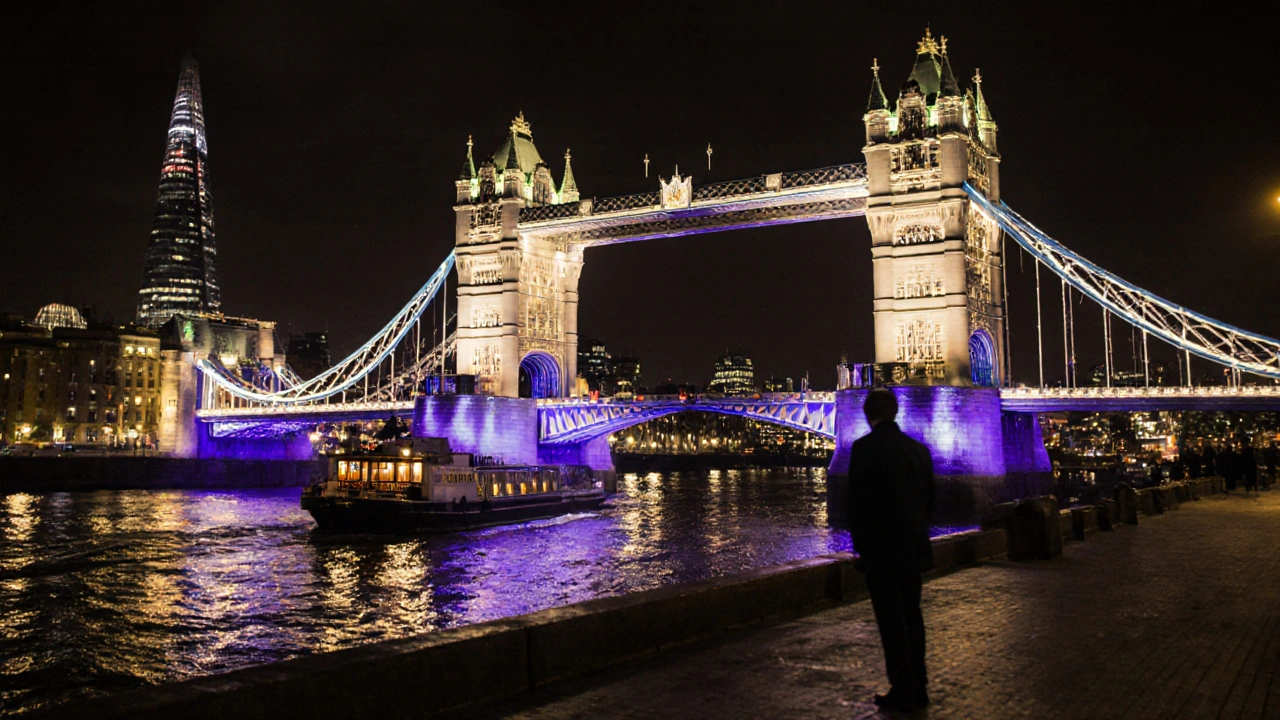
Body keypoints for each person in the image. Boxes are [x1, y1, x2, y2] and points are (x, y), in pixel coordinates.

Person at [846, 387, 936, 713]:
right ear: (895, 412)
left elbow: (855, 504)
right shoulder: (919, 451)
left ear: (868, 415)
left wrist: (860, 548)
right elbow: (931, 501)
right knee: (913, 616)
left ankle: (902, 689)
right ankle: (920, 686)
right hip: (913, 549)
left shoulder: (863, 449)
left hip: (881, 552)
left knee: (891, 623)